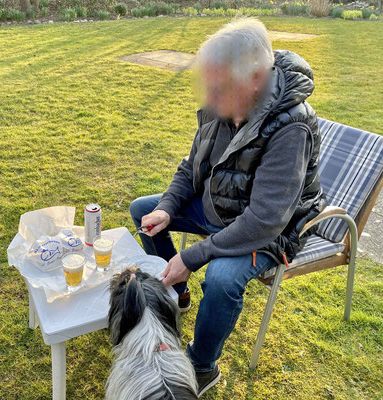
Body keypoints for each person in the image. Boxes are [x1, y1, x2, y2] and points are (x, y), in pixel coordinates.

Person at [129, 17, 327, 396]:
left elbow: (266, 219)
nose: (210, 94)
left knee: (220, 278)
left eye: (218, 85)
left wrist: (196, 255)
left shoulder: (292, 126)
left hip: (269, 232)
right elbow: (191, 168)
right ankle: (180, 291)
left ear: (254, 79)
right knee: (144, 211)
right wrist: (168, 209)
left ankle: (202, 367)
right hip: (218, 207)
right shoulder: (221, 102)